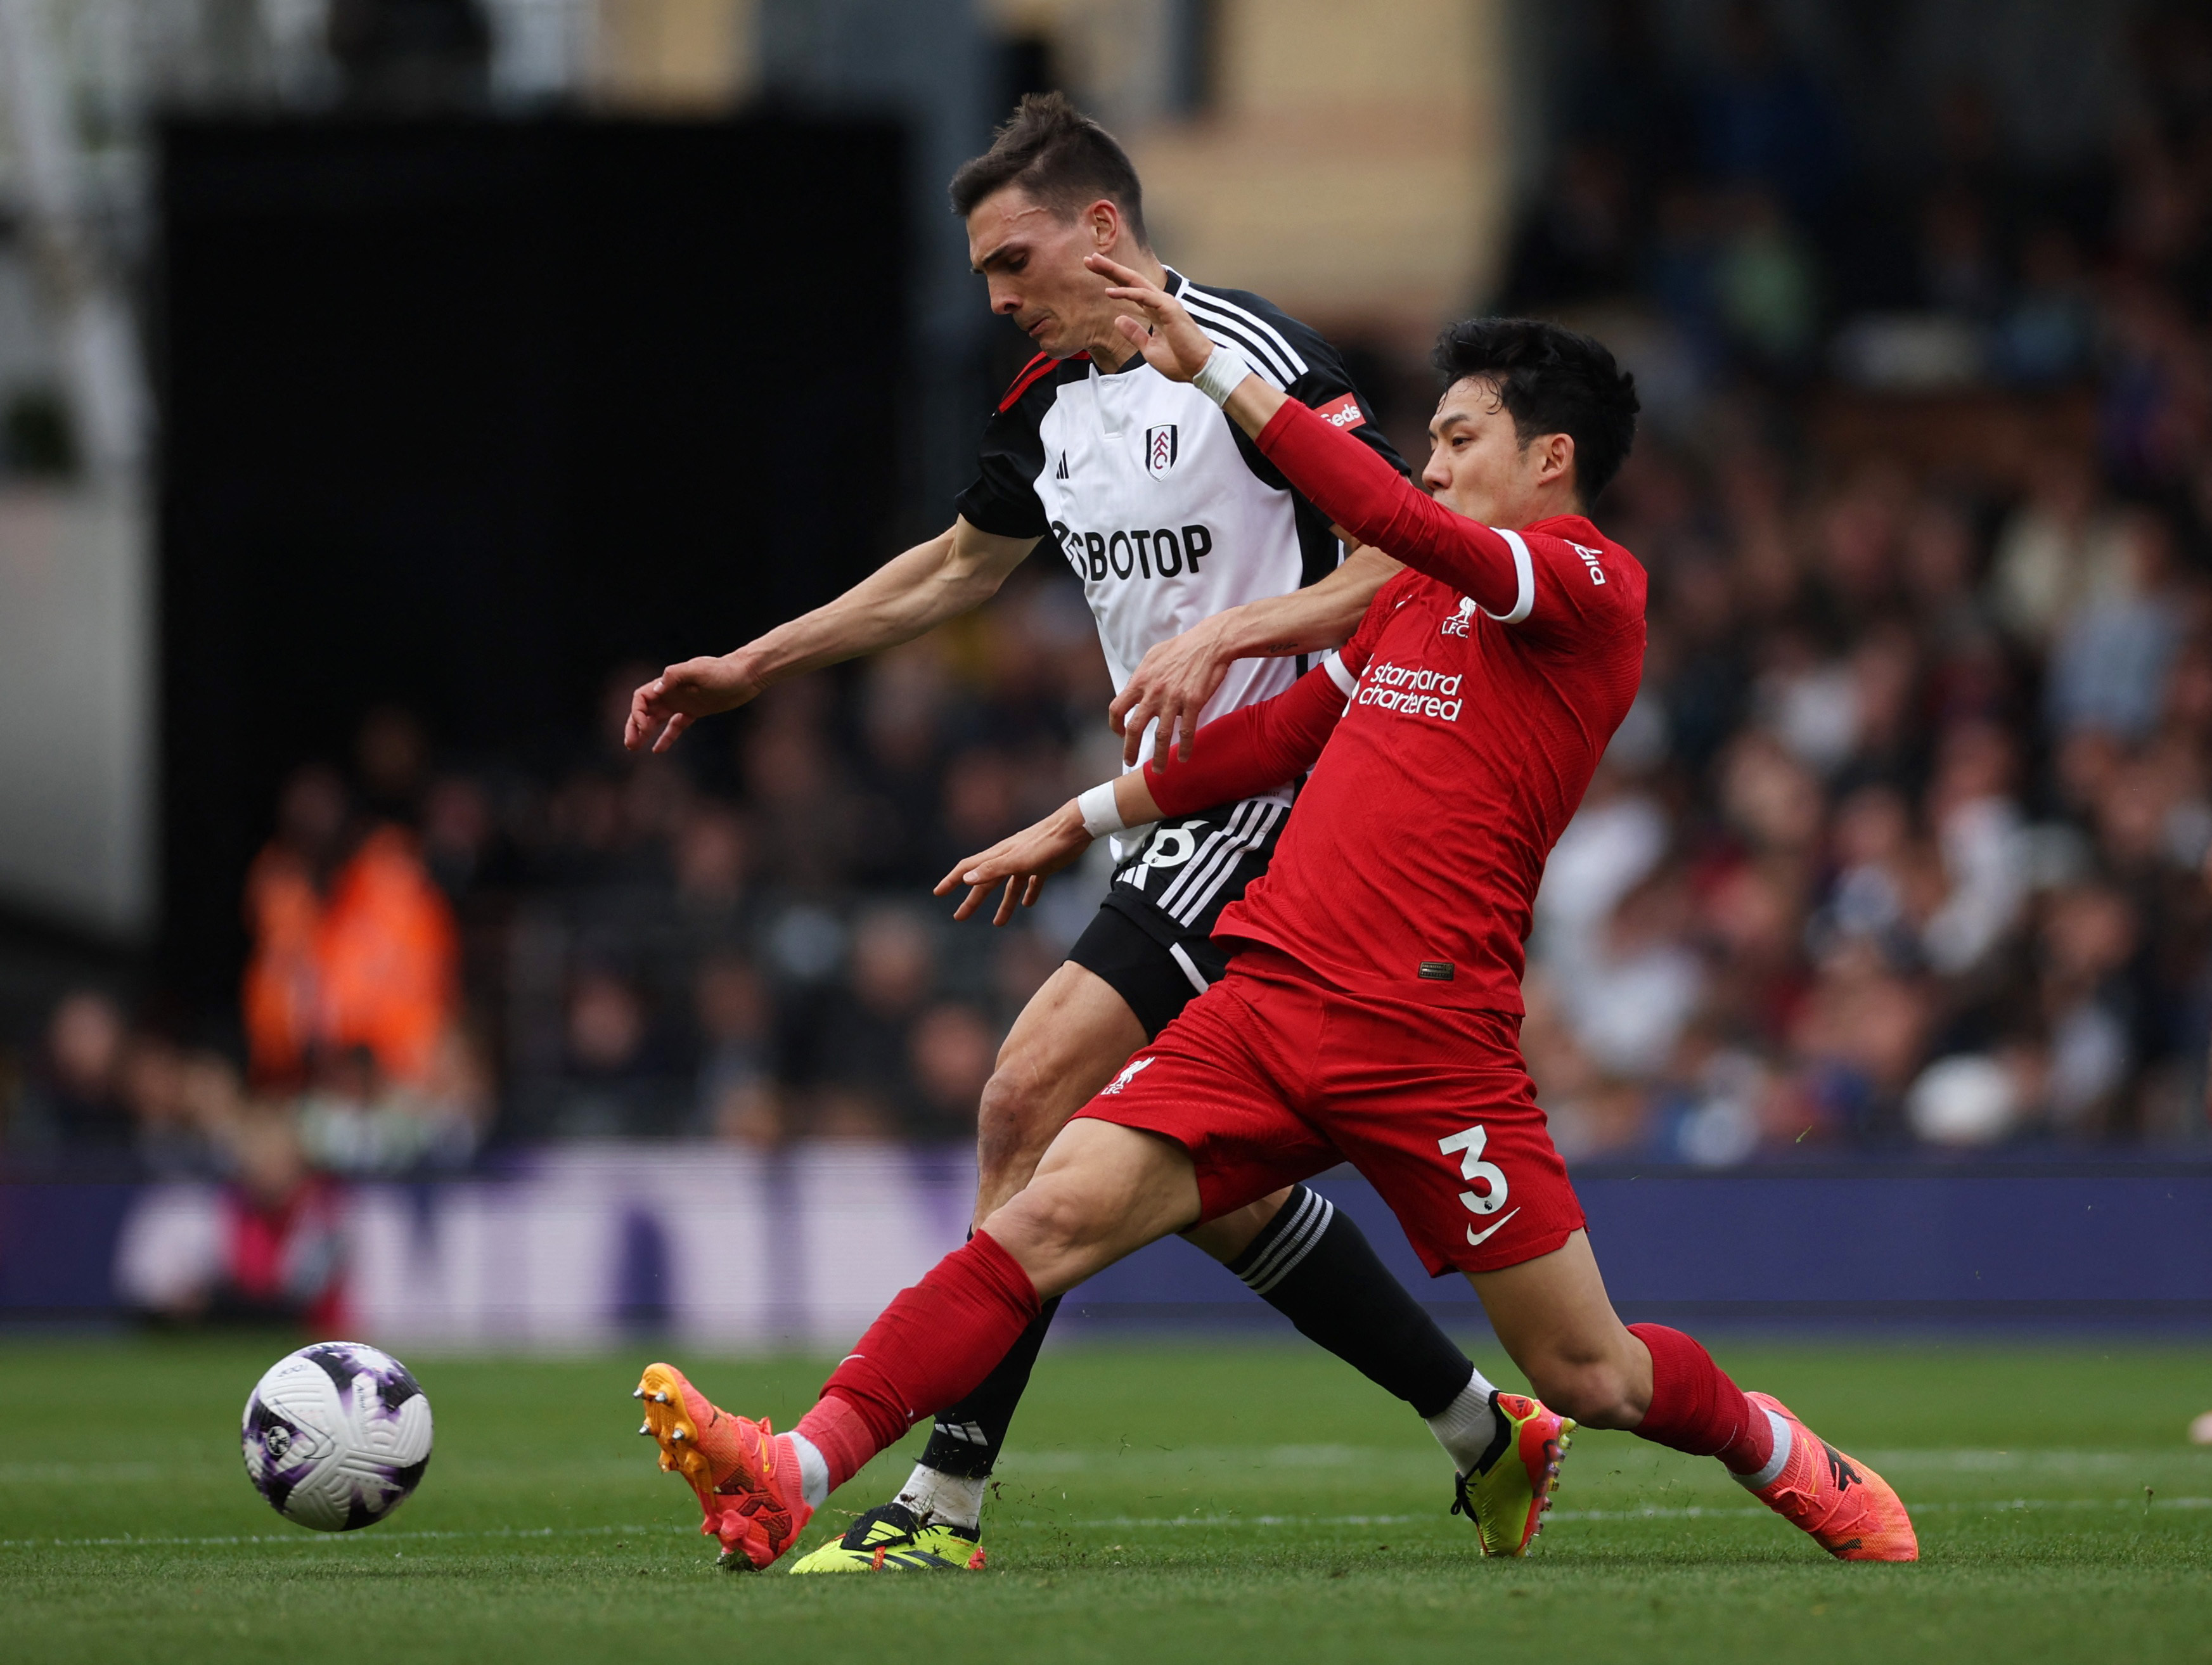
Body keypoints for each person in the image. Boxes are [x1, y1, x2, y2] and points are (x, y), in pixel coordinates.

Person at [631, 277, 1919, 1571]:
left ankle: (1774, 1451)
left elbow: (1385, 514)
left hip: (1429, 1040)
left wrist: (1208, 370)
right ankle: (793, 1467)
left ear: (1550, 456)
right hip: (1266, 1002)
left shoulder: (1590, 585)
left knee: (1592, 1373)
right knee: (1040, 1214)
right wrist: (1076, 818)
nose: (1429, 463)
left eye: (1457, 437)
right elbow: (1280, 734)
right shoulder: (1417, 602)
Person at [624, 94, 1550, 1569]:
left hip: (1298, 793)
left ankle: (937, 1506)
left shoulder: (1244, 354)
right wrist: (753, 665)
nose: (994, 298)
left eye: (1012, 260)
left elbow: (1395, 560)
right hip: (1171, 817)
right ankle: (1484, 1434)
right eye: (984, 274)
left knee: (1022, 1097)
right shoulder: (1049, 414)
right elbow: (946, 573)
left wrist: (1236, 633)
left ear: (1102, 232)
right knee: (1180, 1189)